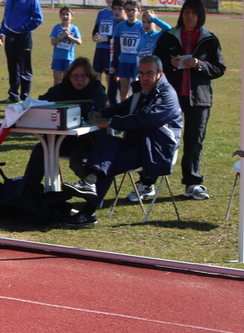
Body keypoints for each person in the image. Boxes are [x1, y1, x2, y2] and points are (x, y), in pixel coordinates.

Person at [62, 56, 182, 227]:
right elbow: (122, 107)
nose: (144, 78)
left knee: (108, 164)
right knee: (105, 141)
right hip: (135, 144)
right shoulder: (142, 91)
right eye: (141, 73)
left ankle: (88, 212)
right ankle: (89, 182)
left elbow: (146, 120)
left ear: (160, 74)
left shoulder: (167, 95)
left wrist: (110, 122)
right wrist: (101, 113)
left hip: (155, 149)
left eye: (149, 73)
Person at [154, 0, 226, 200]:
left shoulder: (210, 39)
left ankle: (192, 183)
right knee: (162, 138)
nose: (189, 16)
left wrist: (199, 65)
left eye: (193, 13)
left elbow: (219, 69)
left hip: (199, 99)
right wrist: (170, 62)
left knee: (194, 141)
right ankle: (148, 182)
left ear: (200, 15)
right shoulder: (168, 36)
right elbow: (154, 62)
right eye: (186, 12)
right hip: (170, 98)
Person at [22, 57, 108, 187]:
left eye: (83, 76)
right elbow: (43, 102)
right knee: (41, 148)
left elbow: (96, 106)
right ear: (69, 76)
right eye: (75, 76)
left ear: (90, 77)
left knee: (77, 159)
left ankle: (93, 187)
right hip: (63, 140)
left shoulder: (97, 89)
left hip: (89, 140)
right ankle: (28, 189)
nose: (79, 79)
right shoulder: (60, 89)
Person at [0, 0, 44, 103]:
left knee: (24, 67)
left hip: (23, 37)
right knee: (12, 67)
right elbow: (6, 17)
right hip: (10, 36)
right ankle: (13, 95)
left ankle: (24, 96)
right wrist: (1, 32)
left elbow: (38, 18)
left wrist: (24, 27)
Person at [111, 0, 144, 102]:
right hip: (123, 61)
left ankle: (136, 109)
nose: (130, 12)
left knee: (137, 88)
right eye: (127, 10)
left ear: (139, 11)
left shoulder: (142, 26)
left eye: (133, 10)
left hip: (137, 62)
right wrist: (114, 64)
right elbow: (116, 48)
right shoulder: (120, 27)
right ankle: (124, 110)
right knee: (124, 89)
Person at [91, 0, 120, 89]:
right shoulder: (102, 12)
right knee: (96, 73)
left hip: (110, 50)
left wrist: (105, 39)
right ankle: (97, 94)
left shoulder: (117, 13)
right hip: (100, 48)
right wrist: (95, 36)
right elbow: (96, 29)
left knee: (109, 75)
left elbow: (118, 35)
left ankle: (109, 98)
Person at [49, 6, 82, 85]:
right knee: (57, 79)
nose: (65, 16)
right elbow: (53, 42)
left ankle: (65, 96)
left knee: (67, 79)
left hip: (68, 58)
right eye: (63, 14)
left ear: (72, 16)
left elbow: (79, 42)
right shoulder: (56, 28)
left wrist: (69, 36)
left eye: (67, 14)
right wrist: (62, 36)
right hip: (57, 57)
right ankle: (57, 95)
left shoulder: (74, 29)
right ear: (60, 16)